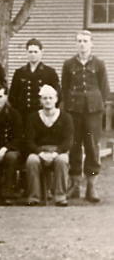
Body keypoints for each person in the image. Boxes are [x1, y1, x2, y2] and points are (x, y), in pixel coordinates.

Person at [62, 30, 110, 203]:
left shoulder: (99, 64)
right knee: (74, 146)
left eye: (85, 41)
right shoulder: (68, 65)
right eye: (79, 41)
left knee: (91, 146)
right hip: (73, 111)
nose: (82, 44)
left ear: (91, 44)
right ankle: (74, 186)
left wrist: (98, 108)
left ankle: (91, 186)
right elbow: (64, 88)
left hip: (92, 112)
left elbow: (104, 89)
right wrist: (66, 110)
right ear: (76, 44)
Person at [25, 85, 73, 207]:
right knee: (31, 161)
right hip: (39, 151)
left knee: (62, 160)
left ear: (56, 99)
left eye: (50, 98)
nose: (47, 101)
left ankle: (60, 197)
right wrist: (40, 153)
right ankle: (34, 197)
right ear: (40, 100)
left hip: (58, 151)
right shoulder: (32, 118)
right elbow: (29, 141)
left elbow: (68, 141)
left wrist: (56, 153)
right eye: (44, 98)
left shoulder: (66, 117)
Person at [9, 38, 60, 126]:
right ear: (26, 53)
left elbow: (58, 95)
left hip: (42, 115)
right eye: (30, 52)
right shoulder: (19, 72)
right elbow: (12, 96)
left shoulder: (50, 72)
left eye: (35, 52)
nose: (33, 54)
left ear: (41, 52)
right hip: (23, 115)